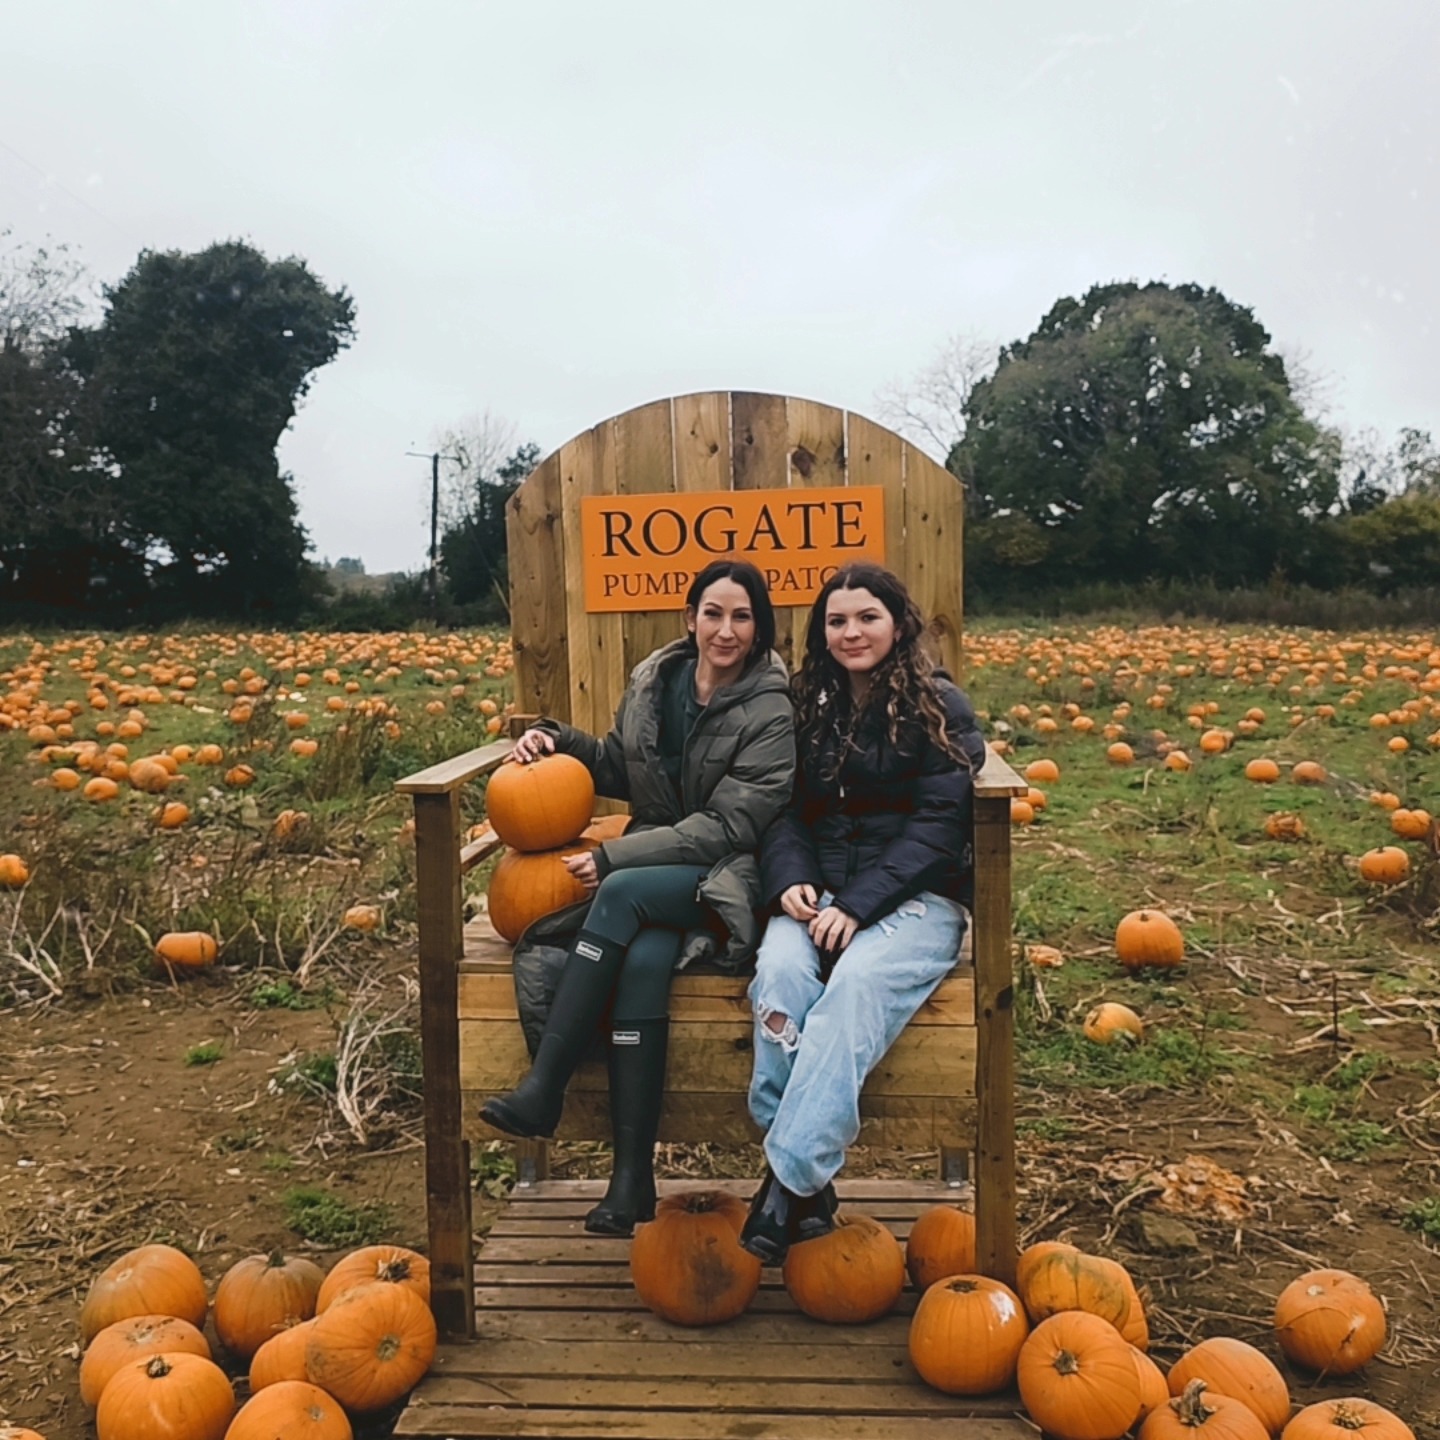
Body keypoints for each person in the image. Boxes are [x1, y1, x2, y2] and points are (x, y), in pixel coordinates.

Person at [481, 559, 795, 1237]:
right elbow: (626, 765)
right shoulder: (659, 680)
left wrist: (615, 855)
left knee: (620, 895)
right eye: (714, 612)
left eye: (742, 616)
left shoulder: (772, 708)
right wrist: (554, 740)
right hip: (661, 867)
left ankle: (545, 1088)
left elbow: (731, 826)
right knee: (645, 963)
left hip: (731, 873)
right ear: (691, 617)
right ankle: (631, 1185)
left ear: (759, 627)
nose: (726, 629)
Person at [739, 563, 987, 1264]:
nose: (852, 632)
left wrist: (859, 903)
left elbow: (941, 826)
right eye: (837, 621)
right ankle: (807, 1184)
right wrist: (791, 879)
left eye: (867, 617)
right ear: (823, 634)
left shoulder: (940, 706)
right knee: (781, 978)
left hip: (917, 901)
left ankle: (785, 1183)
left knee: (851, 992)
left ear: (898, 623)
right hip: (819, 896)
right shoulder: (807, 705)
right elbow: (783, 809)